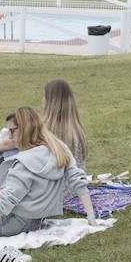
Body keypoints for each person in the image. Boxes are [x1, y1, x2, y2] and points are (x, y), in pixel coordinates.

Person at [0, 107, 95, 262]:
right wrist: (91, 217)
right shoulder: (59, 147)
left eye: (11, 131)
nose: (9, 135)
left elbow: (6, 201)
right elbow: (78, 180)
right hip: (36, 220)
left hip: (6, 225)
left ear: (23, 130)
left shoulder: (24, 162)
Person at [40, 79, 95, 212]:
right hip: (75, 191)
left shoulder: (46, 133)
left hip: (52, 195)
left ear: (49, 101)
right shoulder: (76, 130)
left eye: (44, 96)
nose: (42, 99)